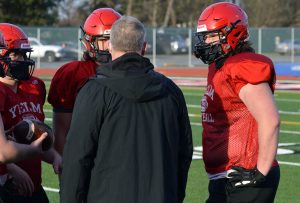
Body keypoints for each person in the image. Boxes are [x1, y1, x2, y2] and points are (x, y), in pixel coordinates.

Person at [60, 16, 193, 203]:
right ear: (144, 47)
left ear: (109, 46)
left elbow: (77, 157)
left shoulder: (94, 91)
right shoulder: (171, 91)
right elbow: (184, 153)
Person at [193, 2, 280, 203]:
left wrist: (260, 171)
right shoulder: (219, 66)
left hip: (245, 173)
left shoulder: (242, 66)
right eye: (204, 36)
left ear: (233, 33)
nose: (206, 41)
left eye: (212, 35)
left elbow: (270, 119)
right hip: (226, 175)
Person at [0, 23, 61, 203]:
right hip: (7, 184)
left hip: (33, 184)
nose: (22, 60)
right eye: (15, 54)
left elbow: (36, 137)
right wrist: (10, 168)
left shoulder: (35, 86)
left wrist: (55, 155)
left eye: (23, 54)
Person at [47, 8, 121, 156]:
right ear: (90, 41)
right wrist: (65, 167)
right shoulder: (72, 73)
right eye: (105, 40)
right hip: (86, 154)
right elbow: (62, 130)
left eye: (114, 40)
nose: (110, 46)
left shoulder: (132, 71)